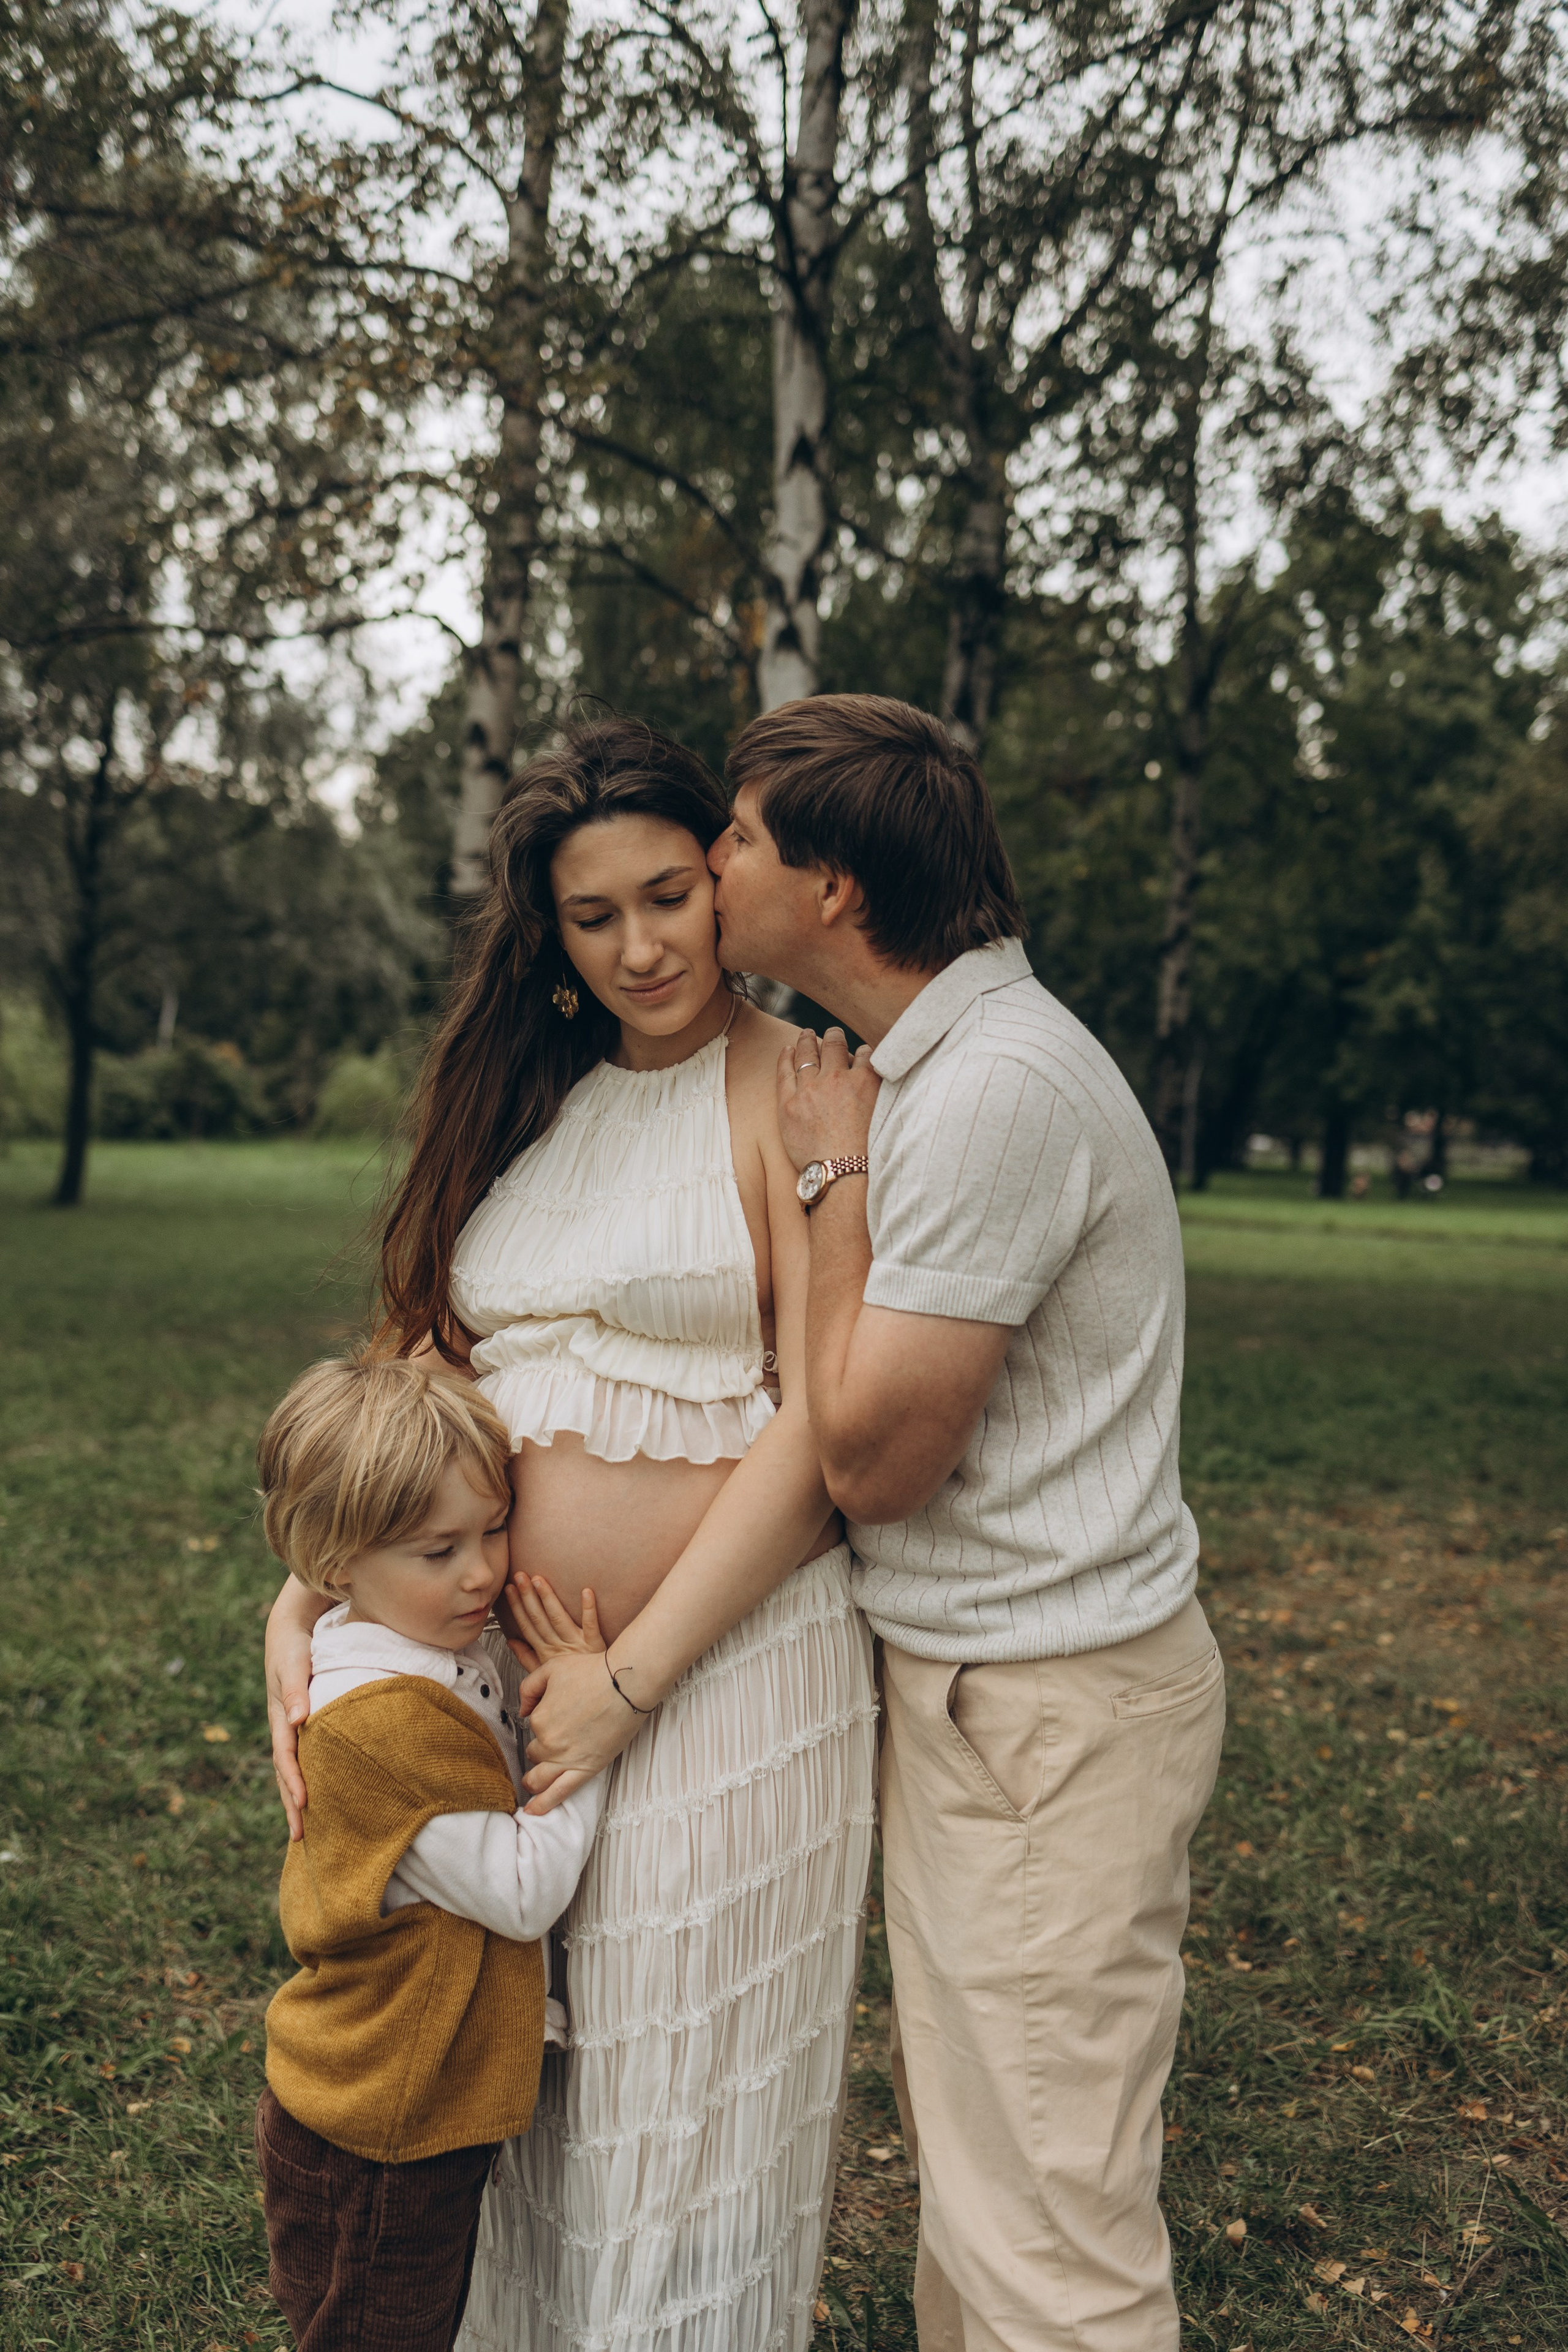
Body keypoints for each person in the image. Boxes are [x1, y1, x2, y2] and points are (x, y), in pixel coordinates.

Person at [521, 695, 1226, 2352]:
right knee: (989, 2194)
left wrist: (831, 1189)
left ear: (830, 892)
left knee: (1053, 2226)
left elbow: (869, 1465)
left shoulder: (988, 1094)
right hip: (995, 1691)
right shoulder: (945, 1065)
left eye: (741, 844)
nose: (712, 864)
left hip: (1051, 1711)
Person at [264, 721, 876, 2352]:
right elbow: (420, 1373)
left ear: (726, 871)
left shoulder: (797, 1082)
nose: (642, 947)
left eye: (668, 894)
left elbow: (826, 1421)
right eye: (592, 917)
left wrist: (640, 1674)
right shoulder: (527, 1094)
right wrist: (309, 1601)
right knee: (532, 2097)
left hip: (725, 1674)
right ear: (549, 931)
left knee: (687, 2099)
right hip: (503, 1689)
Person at [254, 1352, 605, 2352]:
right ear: (332, 1572)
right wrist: (587, 1730)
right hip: (380, 2133)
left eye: (493, 1529)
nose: (483, 1570)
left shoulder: (430, 1648)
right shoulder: (383, 1726)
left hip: (397, 2100)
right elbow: (523, 1890)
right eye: (437, 1549)